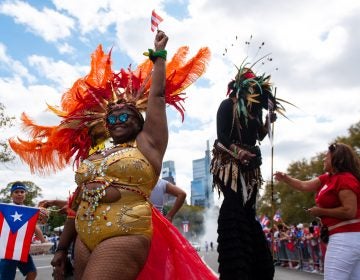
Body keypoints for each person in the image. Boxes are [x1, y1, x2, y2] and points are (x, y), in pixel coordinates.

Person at [10, 31, 214, 280]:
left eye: (123, 116)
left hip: (125, 231)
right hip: (84, 237)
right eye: (111, 119)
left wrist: (159, 57)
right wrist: (62, 248)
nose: (116, 122)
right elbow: (78, 204)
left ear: (139, 122)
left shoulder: (148, 146)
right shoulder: (100, 154)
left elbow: (157, 97)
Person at [211, 64, 283, 279]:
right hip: (230, 165)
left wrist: (268, 121)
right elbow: (221, 136)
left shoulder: (253, 112)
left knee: (248, 210)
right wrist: (237, 152)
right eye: (251, 89)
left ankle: (256, 265)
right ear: (242, 88)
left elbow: (258, 136)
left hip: (252, 166)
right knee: (234, 205)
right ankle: (236, 268)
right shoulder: (227, 105)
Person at [274, 142, 360, 280]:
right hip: (346, 238)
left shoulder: (345, 179)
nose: (323, 159)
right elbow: (304, 185)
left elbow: (350, 211)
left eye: (326, 156)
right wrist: (286, 179)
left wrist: (321, 211)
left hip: (345, 238)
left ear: (337, 159)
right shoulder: (328, 178)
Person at [0, 182, 47, 280]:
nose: (19, 194)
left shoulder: (29, 211)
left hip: (22, 250)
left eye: (22, 191)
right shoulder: (5, 208)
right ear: (11, 194)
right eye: (16, 192)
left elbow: (35, 227)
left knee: (32, 272)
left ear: (25, 194)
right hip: (7, 251)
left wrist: (44, 242)